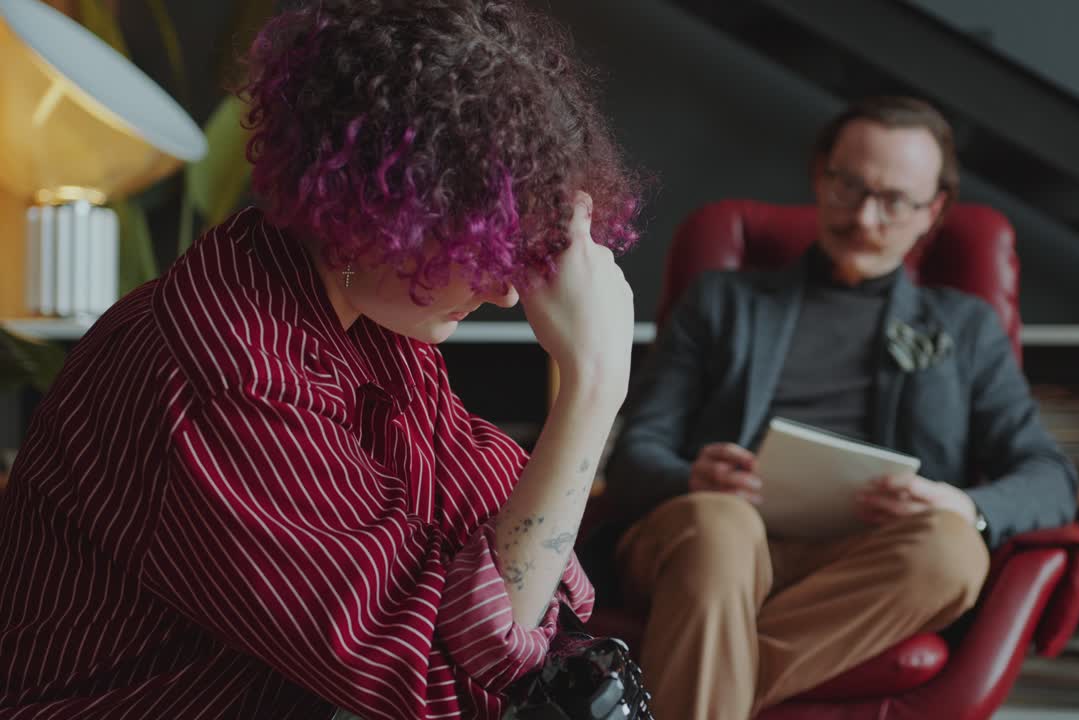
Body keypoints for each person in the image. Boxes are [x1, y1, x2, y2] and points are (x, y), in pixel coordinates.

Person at [0, 1, 641, 718]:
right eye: (480, 241)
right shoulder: (225, 370)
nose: (503, 290)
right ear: (388, 207)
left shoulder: (370, 334)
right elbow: (444, 679)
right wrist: (594, 383)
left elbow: (532, 595)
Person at [602, 96, 1079, 720]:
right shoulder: (721, 302)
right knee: (723, 524)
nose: (863, 216)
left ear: (933, 211)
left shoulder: (965, 328)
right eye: (849, 186)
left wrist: (962, 504)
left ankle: (703, 684)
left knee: (955, 549)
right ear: (819, 177)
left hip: (861, 568)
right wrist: (693, 476)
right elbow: (633, 456)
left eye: (895, 201)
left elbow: (1051, 475)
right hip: (708, 548)